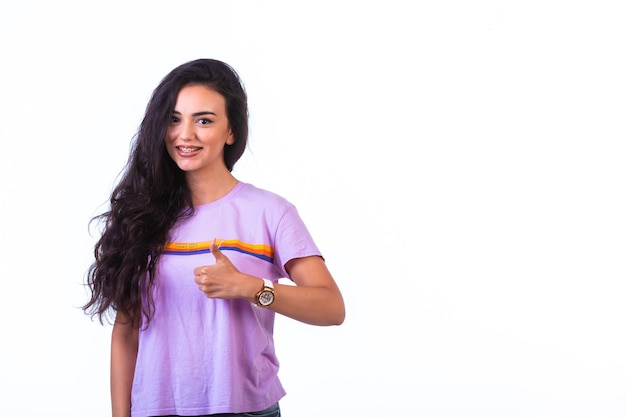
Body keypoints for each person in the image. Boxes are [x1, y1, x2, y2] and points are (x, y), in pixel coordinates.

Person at [82, 58, 345, 417]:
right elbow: (126, 333)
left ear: (231, 131)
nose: (185, 134)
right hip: (156, 409)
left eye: (203, 120)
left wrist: (249, 287)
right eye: (174, 119)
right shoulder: (141, 217)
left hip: (245, 410)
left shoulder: (270, 212)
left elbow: (331, 307)